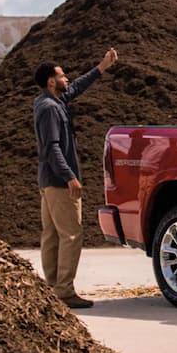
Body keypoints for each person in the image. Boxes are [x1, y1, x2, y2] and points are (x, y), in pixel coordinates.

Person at [33, 48, 118, 308]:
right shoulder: (50, 109)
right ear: (51, 81)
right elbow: (53, 147)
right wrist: (70, 177)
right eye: (62, 75)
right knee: (71, 234)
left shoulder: (51, 101)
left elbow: (75, 88)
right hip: (59, 182)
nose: (66, 79)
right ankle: (65, 291)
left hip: (48, 181)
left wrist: (101, 67)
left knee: (52, 234)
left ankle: (52, 288)